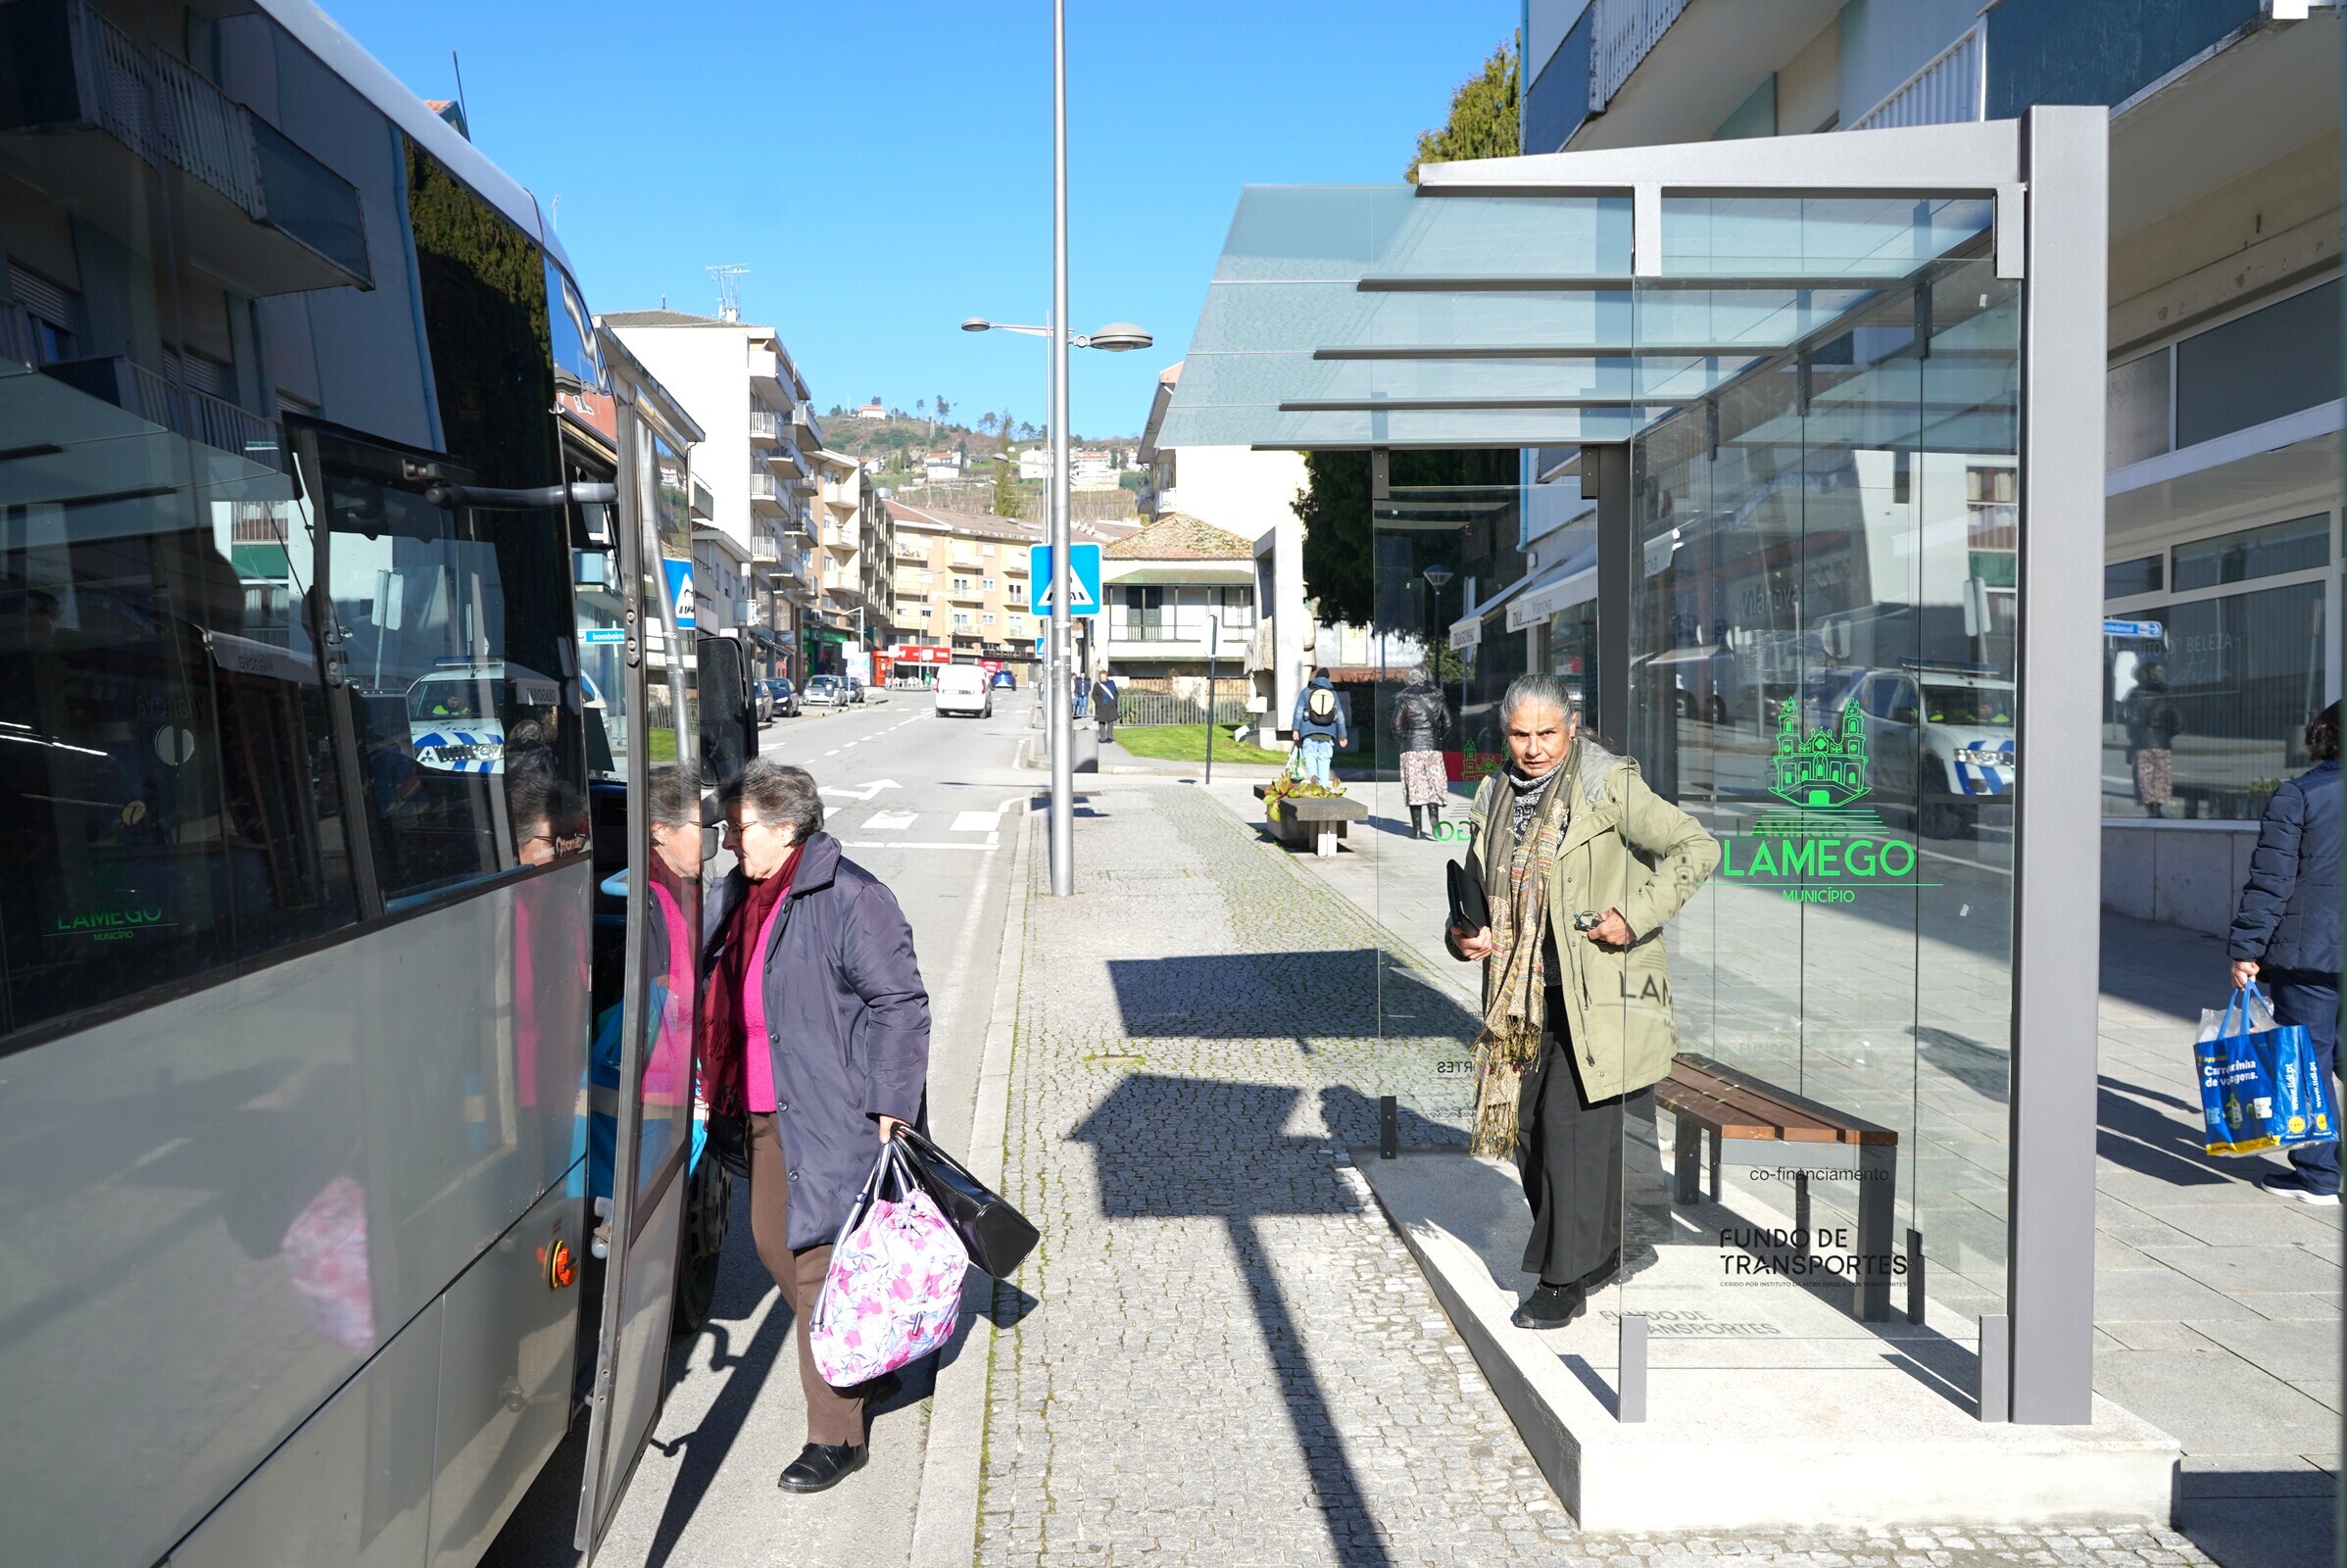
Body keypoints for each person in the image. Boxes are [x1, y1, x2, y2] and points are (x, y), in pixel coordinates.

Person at [1445, 673, 1718, 1329]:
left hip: (1596, 991)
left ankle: (1562, 1280)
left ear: (1570, 728)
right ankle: (1600, 1247)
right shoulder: (1492, 792)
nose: (1533, 748)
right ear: (1504, 734)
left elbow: (1697, 846)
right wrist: (1464, 936)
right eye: (1519, 734)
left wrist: (1634, 914)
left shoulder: (1606, 784)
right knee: (1525, 1131)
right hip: (1518, 994)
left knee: (1569, 1136)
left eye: (1546, 733)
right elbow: (1478, 883)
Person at [703, 760, 933, 1492]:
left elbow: (900, 1004)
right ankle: (865, 1365)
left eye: (740, 828)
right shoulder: (738, 893)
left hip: (835, 1111)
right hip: (764, 1109)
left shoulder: (851, 897)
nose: (730, 842)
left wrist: (890, 1108)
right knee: (776, 1251)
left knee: (815, 1268)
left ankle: (835, 1435)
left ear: (785, 827)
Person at [2227, 701, 2341, 1206]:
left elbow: (2271, 882)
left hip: (2310, 951)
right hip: (2314, 947)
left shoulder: (2299, 795)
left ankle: (2319, 1177)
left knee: (2308, 1059)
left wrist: (2246, 950)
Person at [1393, 664, 1451, 838]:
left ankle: (1417, 830)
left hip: (1411, 747)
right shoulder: (1437, 697)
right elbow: (1448, 723)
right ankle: (1434, 818)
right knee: (1433, 783)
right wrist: (1438, 738)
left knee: (1415, 787)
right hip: (1432, 747)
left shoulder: (1404, 698)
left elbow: (1395, 724)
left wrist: (1404, 739)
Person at [2121, 661, 2182, 818]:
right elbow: (2178, 722)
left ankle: (2151, 810)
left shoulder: (2135, 694)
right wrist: (2165, 733)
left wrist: (2136, 735)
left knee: (2146, 780)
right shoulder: (2167, 694)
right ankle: (2158, 807)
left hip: (2143, 743)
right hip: (2162, 743)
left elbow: (2132, 719)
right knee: (2160, 778)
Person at [1290, 667, 1349, 786]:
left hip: (1308, 732)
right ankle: (1323, 786)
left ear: (1316, 678)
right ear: (1327, 679)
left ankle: (1314, 781)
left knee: (1310, 758)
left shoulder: (1306, 692)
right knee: (1324, 760)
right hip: (1328, 733)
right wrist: (1342, 735)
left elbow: (1298, 712)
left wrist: (1295, 729)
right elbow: (1340, 716)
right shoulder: (1332, 694)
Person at [1091, 671, 1120, 744]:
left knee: (1111, 722)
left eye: (1104, 677)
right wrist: (1099, 703)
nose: (1102, 679)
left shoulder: (1111, 683)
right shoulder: (1097, 685)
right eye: (1101, 677)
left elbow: (1116, 693)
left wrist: (1114, 702)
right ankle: (1102, 738)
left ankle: (1109, 737)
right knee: (1101, 722)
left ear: (1107, 677)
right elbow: (1094, 695)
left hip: (1111, 705)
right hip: (1101, 706)